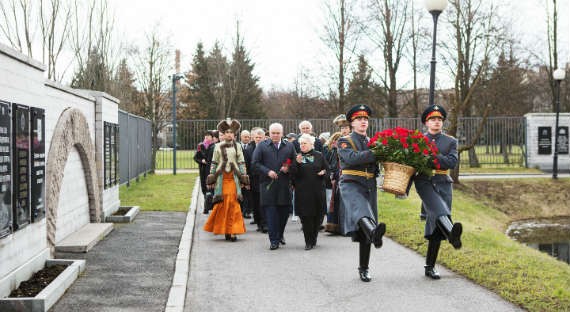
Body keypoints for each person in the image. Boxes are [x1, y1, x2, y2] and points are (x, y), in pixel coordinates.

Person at [337, 104, 386, 282]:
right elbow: (351, 159)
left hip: (369, 185)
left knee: (367, 224)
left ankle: (364, 268)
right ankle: (374, 234)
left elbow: (375, 163)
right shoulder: (344, 141)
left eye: (365, 118)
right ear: (352, 122)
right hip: (351, 183)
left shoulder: (372, 141)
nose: (363, 121)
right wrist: (375, 153)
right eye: (359, 119)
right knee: (361, 212)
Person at [414, 105, 463, 279]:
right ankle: (452, 235)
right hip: (425, 182)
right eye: (433, 119)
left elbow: (451, 162)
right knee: (441, 214)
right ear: (426, 122)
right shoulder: (418, 139)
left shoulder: (450, 141)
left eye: (440, 120)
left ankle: (430, 267)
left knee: (436, 225)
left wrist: (430, 156)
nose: (437, 122)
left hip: (443, 183)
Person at [252, 123, 297, 250]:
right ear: (269, 134)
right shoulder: (262, 146)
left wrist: (288, 168)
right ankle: (274, 240)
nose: (276, 135)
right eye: (273, 133)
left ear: (282, 133)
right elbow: (255, 164)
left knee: (283, 214)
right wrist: (267, 171)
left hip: (284, 186)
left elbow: (294, 163)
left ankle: (280, 234)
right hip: (268, 186)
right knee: (271, 215)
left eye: (278, 133)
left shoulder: (289, 146)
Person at [203, 118, 249, 242]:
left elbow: (241, 162)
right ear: (223, 133)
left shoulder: (238, 146)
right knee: (223, 204)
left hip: (234, 178)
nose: (229, 134)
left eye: (231, 132)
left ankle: (233, 231)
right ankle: (225, 230)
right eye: (227, 132)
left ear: (234, 134)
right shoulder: (217, 146)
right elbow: (213, 162)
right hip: (221, 179)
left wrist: (244, 178)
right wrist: (211, 179)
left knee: (233, 203)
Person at [291, 134, 328, 250]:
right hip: (303, 192)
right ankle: (308, 242)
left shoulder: (319, 156)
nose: (302, 145)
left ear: (311, 144)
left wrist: (324, 173)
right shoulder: (298, 157)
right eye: (300, 144)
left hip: (317, 191)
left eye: (304, 143)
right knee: (306, 218)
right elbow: (292, 174)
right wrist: (296, 163)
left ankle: (314, 238)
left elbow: (328, 169)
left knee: (317, 217)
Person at [324, 114, 351, 234]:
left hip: (350, 174)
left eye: (346, 128)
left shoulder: (354, 140)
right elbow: (330, 160)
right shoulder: (336, 142)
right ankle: (337, 227)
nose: (344, 130)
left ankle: (348, 227)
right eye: (342, 128)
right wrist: (332, 173)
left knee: (348, 202)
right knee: (337, 201)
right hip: (337, 175)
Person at [244, 127, 268, 233]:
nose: (258, 139)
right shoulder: (249, 149)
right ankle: (259, 222)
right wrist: (247, 181)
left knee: (265, 202)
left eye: (260, 137)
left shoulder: (268, 147)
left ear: (264, 137)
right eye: (256, 137)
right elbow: (247, 166)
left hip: (265, 179)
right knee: (256, 203)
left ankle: (265, 223)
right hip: (254, 180)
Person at [193, 130, 214, 214]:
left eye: (209, 135)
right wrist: (201, 160)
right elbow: (195, 157)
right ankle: (206, 206)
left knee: (211, 188)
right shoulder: (200, 145)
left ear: (212, 137)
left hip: (211, 170)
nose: (207, 137)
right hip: (203, 170)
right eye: (206, 135)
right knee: (204, 188)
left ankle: (209, 206)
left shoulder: (214, 146)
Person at [239, 130, 252, 219]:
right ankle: (239, 211)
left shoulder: (251, 147)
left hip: (249, 174)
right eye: (245, 137)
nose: (246, 138)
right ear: (241, 137)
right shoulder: (236, 147)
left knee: (248, 194)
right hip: (239, 174)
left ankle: (246, 211)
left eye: (248, 137)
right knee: (240, 194)